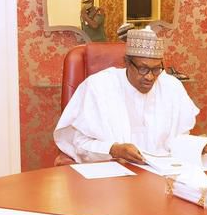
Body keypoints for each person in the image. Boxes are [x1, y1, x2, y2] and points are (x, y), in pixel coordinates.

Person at [54, 27, 199, 163]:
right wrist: (113, 150)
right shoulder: (98, 86)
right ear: (127, 63)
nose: (150, 77)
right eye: (143, 69)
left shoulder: (171, 87)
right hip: (112, 174)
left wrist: (194, 147)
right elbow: (79, 144)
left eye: (156, 70)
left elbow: (179, 138)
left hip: (163, 174)